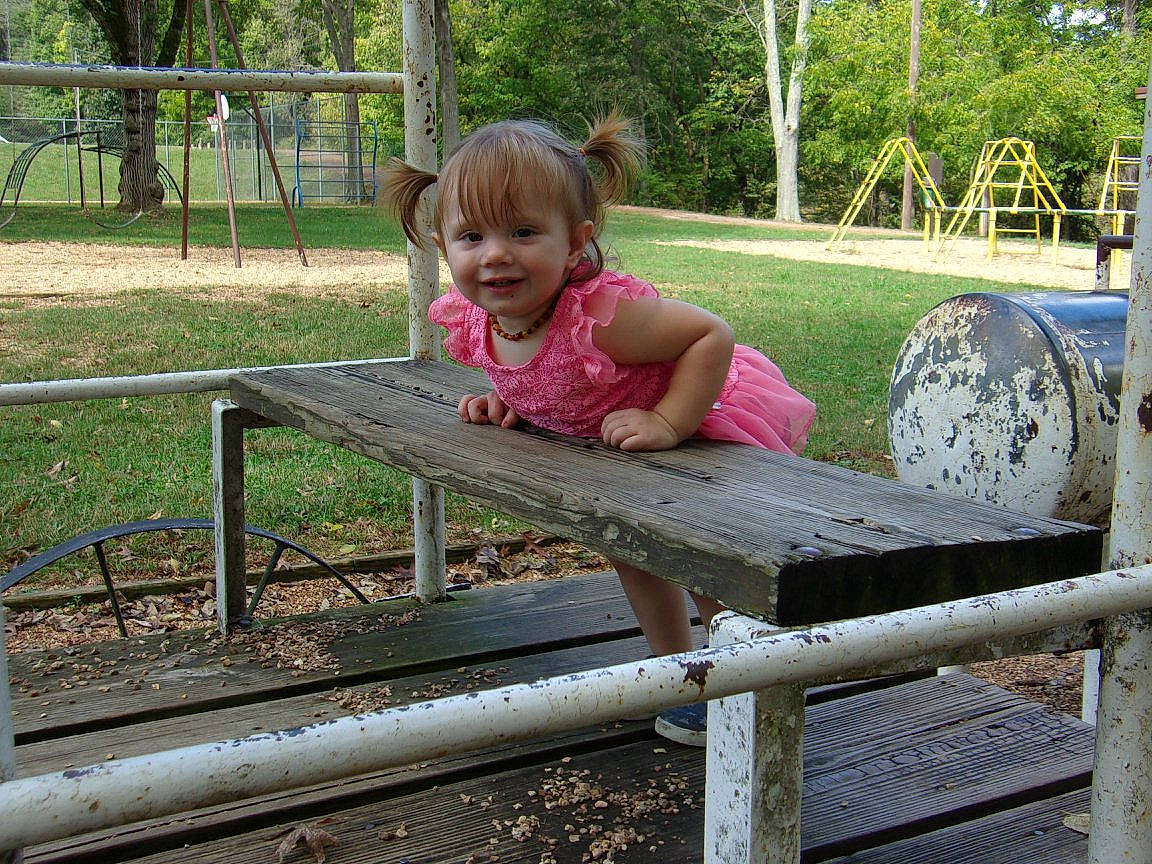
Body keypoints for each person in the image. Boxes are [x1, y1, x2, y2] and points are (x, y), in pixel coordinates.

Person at [380, 113, 816, 746]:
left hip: (695, 431)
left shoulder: (603, 317)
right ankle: (678, 671)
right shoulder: (483, 319)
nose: (495, 253)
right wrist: (511, 401)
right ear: (443, 246)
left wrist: (669, 419)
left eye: (523, 231)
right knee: (634, 553)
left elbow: (709, 334)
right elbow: (536, 370)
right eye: (471, 236)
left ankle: (746, 685)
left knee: (701, 558)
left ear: (575, 241)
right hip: (621, 457)